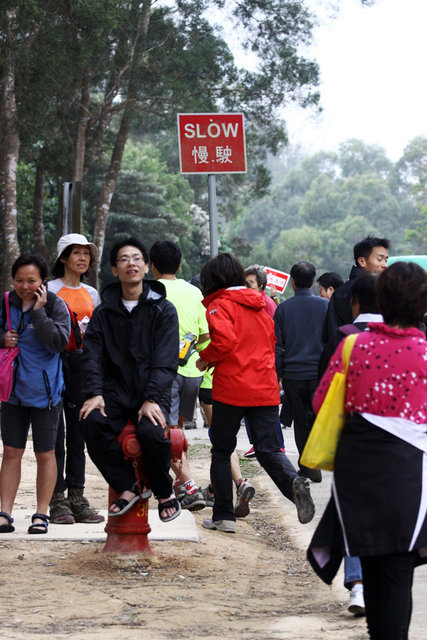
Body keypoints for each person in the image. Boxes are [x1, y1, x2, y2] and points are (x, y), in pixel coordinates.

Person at [307, 262, 427, 639]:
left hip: (356, 471)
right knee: (398, 570)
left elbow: (320, 403)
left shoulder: (352, 346)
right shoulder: (425, 351)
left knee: (373, 562)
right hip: (409, 471)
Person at [197, 253, 315, 534]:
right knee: (268, 449)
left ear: (213, 280)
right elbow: (271, 341)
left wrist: (205, 358)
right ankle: (293, 483)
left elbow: (224, 342)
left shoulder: (219, 304)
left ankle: (223, 516)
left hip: (232, 388)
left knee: (222, 450)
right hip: (264, 387)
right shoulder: (262, 303)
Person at [79, 237, 181, 522]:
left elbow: (166, 361)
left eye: (137, 258)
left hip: (151, 393)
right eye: (124, 259)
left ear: (146, 267)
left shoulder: (163, 309)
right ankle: (128, 485)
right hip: (114, 393)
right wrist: (95, 393)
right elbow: (92, 355)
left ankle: (164, 491)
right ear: (115, 270)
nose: (131, 264)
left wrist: (151, 398)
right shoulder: (103, 313)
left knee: (152, 433)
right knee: (89, 421)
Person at [318, 272, 383, 617]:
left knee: (354, 513)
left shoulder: (345, 339)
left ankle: (358, 585)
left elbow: (321, 397)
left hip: (353, 440)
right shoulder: (413, 341)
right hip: (398, 446)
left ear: (354, 303)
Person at [0, 254, 70, 534]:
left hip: (46, 394)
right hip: (12, 392)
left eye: (31, 280)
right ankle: (5, 512)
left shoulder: (55, 305)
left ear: (43, 281)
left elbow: (59, 343)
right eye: (19, 280)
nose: (25, 286)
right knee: (11, 452)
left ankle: (41, 514)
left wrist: (39, 314)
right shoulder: (6, 303)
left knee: (45, 453)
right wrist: (2, 339)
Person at [48, 233, 104, 525]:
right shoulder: (49, 290)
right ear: (63, 258)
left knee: (78, 433)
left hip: (81, 369)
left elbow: (97, 334)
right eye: (77, 253)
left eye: (86, 253)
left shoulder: (91, 293)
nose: (83, 258)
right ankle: (56, 499)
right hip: (52, 367)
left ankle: (77, 497)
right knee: (55, 435)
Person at [150, 240, 209, 511]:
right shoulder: (195, 292)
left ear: (151, 266)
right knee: (178, 432)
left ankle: (189, 485)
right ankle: (179, 486)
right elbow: (205, 334)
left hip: (165, 373)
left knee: (164, 433)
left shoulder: (151, 291)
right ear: (180, 265)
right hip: (193, 372)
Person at [274, 261, 329, 483]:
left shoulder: (283, 309)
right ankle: (315, 461)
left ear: (293, 282)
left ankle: (306, 465)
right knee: (317, 418)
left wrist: (278, 374)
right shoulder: (326, 306)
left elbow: (277, 345)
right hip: (320, 374)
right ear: (313, 281)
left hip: (293, 374)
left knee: (300, 419)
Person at [322, 236, 390, 342]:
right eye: (379, 259)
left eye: (386, 260)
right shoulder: (345, 293)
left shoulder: (340, 292)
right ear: (362, 261)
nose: (384, 265)